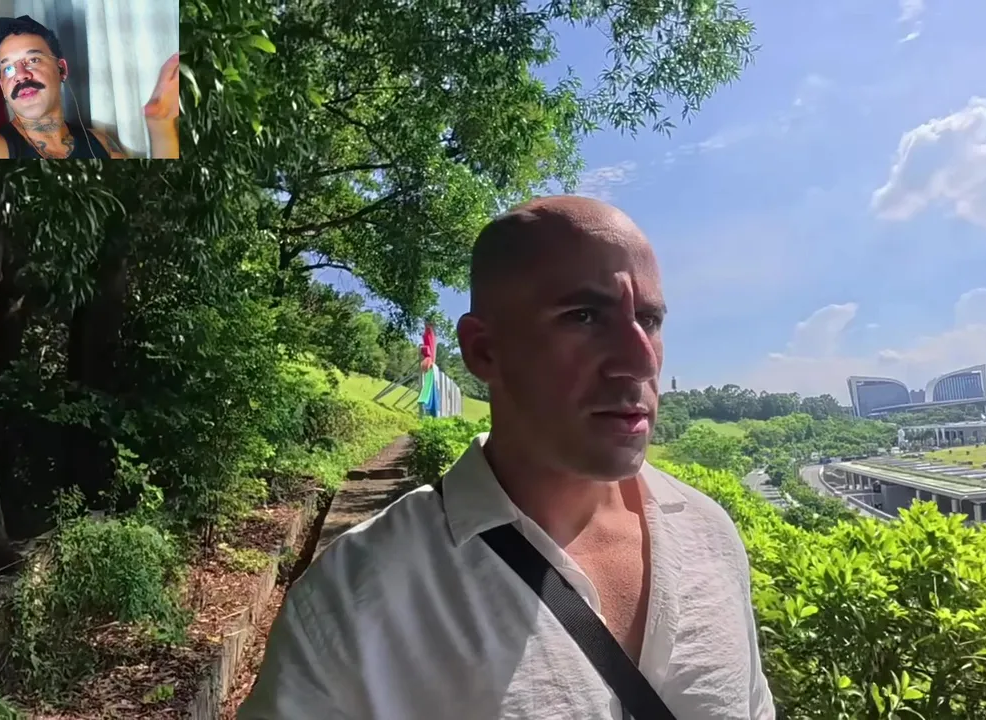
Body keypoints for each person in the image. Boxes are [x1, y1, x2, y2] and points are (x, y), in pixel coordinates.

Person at [237, 196, 775, 719]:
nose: (640, 361)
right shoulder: (353, 602)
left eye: (650, 320)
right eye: (584, 316)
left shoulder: (711, 536)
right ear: (483, 350)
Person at [0, 15, 179, 159]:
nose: (21, 75)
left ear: (61, 70)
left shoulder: (101, 143)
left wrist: (160, 124)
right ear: (2, 87)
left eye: (33, 60)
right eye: (8, 68)